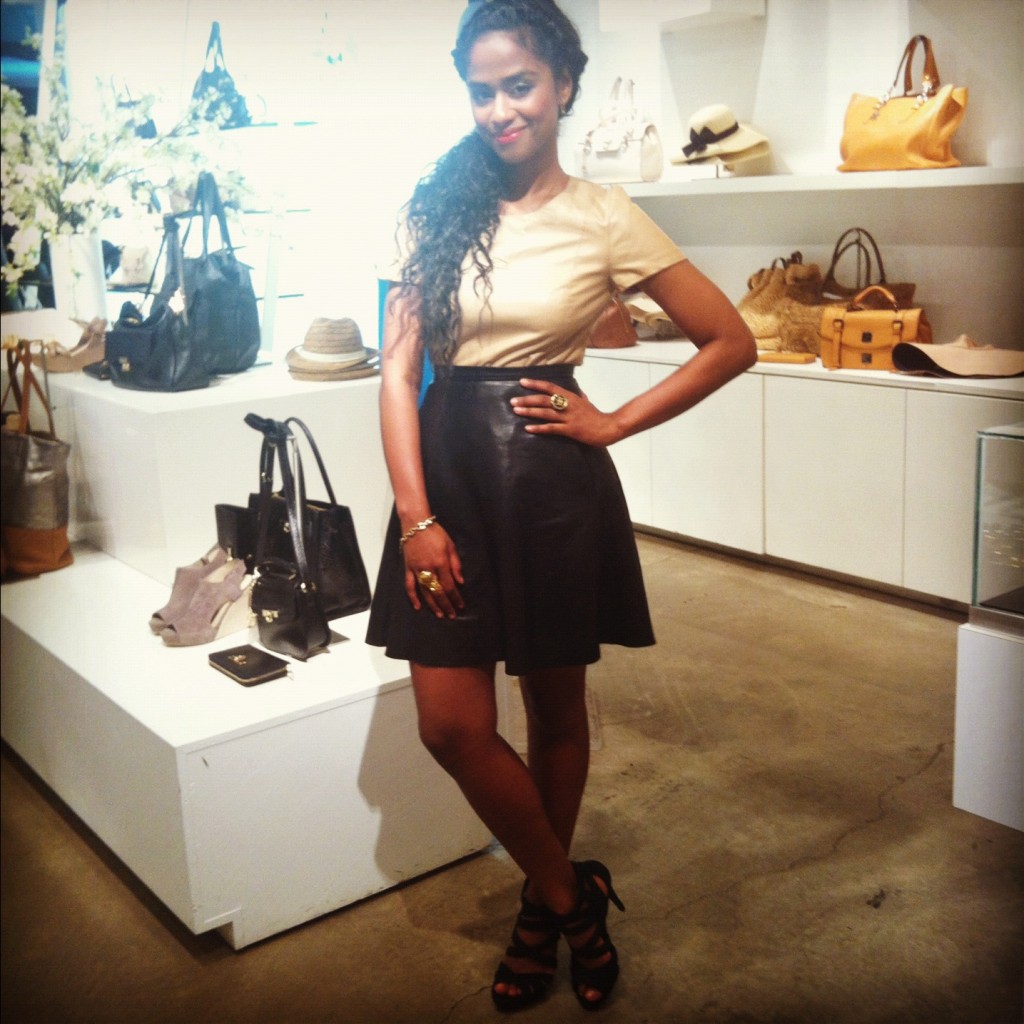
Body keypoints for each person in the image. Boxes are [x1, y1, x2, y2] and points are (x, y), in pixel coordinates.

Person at [365, 0, 756, 1011]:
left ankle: (538, 915)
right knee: (450, 725)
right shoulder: (432, 209)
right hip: (443, 478)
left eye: (519, 86)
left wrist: (614, 422)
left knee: (553, 707)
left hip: (548, 485)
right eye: (481, 91)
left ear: (563, 86)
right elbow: (397, 370)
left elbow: (730, 340)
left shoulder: (605, 215)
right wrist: (415, 517)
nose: (500, 109)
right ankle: (571, 895)